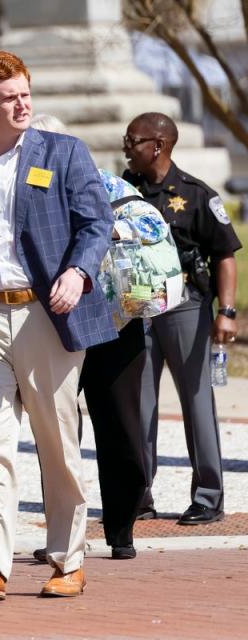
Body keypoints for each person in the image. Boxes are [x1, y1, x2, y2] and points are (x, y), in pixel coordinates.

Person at [0, 50, 115, 601]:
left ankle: (67, 559)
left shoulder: (64, 153)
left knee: (56, 442)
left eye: (26, 93)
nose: (22, 104)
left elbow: (96, 222)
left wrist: (79, 272)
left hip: (46, 314)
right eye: (9, 97)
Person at [27, 113, 152, 561]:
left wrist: (114, 231)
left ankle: (122, 529)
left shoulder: (112, 186)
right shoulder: (27, 188)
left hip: (116, 324)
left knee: (121, 426)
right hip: (53, 323)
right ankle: (61, 536)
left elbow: (152, 228)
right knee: (55, 431)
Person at [122, 112, 241, 525]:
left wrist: (226, 312)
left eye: (133, 140)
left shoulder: (195, 194)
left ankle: (208, 498)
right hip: (137, 311)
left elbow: (225, 255)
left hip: (186, 308)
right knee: (139, 404)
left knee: (197, 403)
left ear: (158, 145)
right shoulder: (124, 189)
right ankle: (139, 496)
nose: (126, 146)